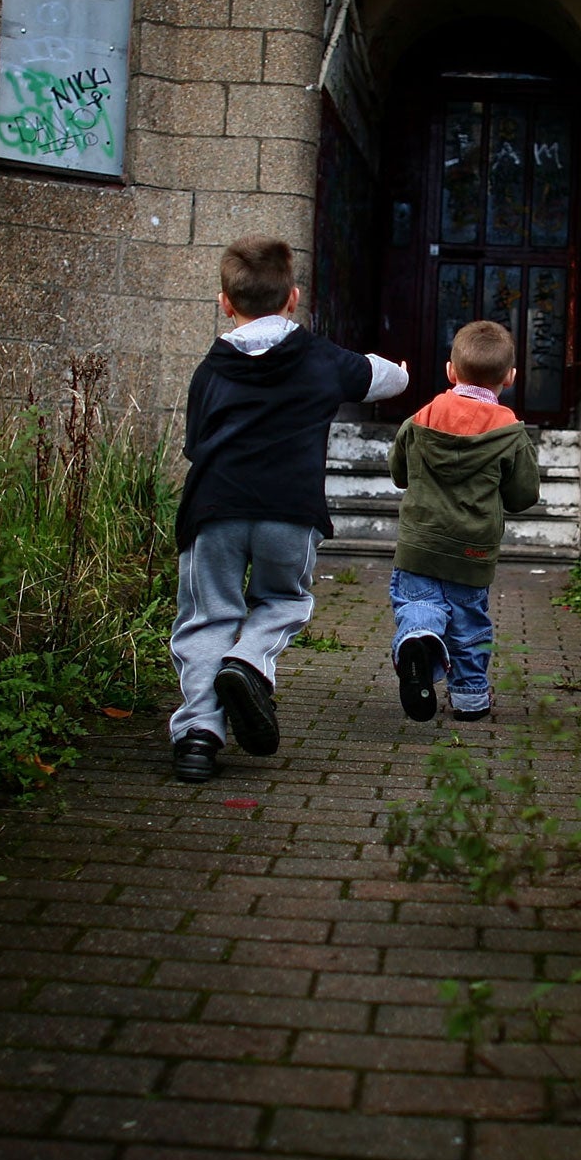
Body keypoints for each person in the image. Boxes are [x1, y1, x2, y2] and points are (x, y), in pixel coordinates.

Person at [169, 235, 408, 783]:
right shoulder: (321, 359)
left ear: (226, 302)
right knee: (281, 600)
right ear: (293, 297)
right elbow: (383, 377)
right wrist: (401, 370)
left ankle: (199, 736)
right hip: (289, 512)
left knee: (208, 616)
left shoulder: (210, 371)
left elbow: (194, 444)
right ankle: (250, 663)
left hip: (215, 508)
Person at [387, 319, 541, 723]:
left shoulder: (421, 418)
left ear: (450, 371)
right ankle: (471, 698)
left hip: (420, 543)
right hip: (473, 549)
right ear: (509, 377)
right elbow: (524, 495)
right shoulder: (510, 432)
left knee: (419, 604)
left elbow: (399, 472)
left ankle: (418, 641)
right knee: (469, 622)